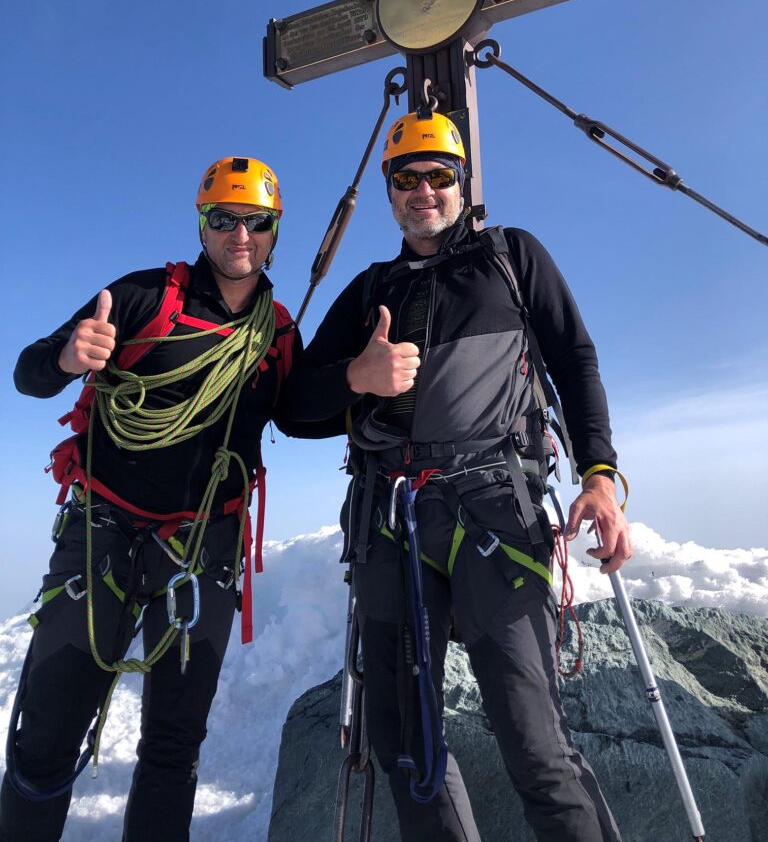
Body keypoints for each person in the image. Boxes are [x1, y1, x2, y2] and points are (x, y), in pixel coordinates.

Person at [282, 110, 632, 842]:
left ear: (462, 181)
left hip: (493, 512)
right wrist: (357, 374)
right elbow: (295, 408)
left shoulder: (512, 257)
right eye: (406, 178)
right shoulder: (371, 287)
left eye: (440, 175)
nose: (424, 190)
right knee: (405, 741)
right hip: (391, 523)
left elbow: (575, 360)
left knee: (535, 742)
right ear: (389, 188)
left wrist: (600, 475)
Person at [2, 156, 312, 842]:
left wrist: (363, 380)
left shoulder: (278, 333)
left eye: (256, 221)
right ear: (201, 227)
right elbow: (29, 371)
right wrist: (64, 358)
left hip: (202, 547)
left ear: (274, 231)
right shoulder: (143, 296)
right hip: (102, 535)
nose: (240, 234)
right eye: (223, 219)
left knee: (173, 746)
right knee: (48, 731)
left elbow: (303, 412)